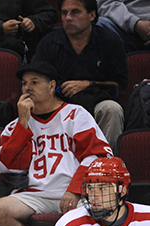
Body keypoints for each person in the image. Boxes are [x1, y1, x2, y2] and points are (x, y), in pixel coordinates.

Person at [0, 61, 112, 226]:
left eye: (35, 82)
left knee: (102, 214)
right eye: (24, 83)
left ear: (52, 86)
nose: (27, 88)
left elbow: (98, 156)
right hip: (35, 194)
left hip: (75, 193)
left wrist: (75, 189)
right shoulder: (15, 126)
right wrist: (23, 124)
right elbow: (7, 167)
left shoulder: (76, 115)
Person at [33, 0, 128, 152]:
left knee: (112, 109)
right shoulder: (48, 43)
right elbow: (35, 84)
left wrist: (88, 84)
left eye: (75, 12)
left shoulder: (110, 41)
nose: (68, 18)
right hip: (60, 105)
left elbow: (121, 87)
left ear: (92, 15)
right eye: (64, 13)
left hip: (98, 101)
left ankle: (105, 164)